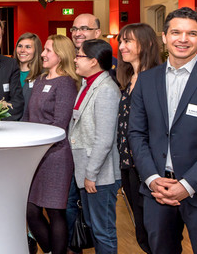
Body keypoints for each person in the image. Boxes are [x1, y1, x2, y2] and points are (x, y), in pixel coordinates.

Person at [129, 7, 197, 254]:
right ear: (164, 36)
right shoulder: (146, 81)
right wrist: (152, 179)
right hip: (156, 191)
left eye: (192, 34)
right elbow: (136, 134)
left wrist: (187, 185)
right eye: (176, 32)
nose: (183, 39)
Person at [23, 35, 79, 254]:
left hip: (55, 156)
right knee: (30, 211)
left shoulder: (65, 83)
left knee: (55, 212)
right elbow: (29, 117)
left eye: (48, 50)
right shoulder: (40, 79)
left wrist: (36, 146)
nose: (43, 54)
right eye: (44, 50)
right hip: (34, 156)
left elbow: (59, 126)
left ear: (61, 55)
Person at [69, 39, 121, 254]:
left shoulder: (106, 89)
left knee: (103, 231)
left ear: (93, 61)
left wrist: (91, 174)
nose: (75, 59)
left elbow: (104, 139)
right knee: (93, 225)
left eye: (79, 56)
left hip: (100, 174)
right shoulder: (87, 83)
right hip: (87, 171)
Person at [116, 23, 160, 254]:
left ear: (147, 43)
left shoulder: (155, 79)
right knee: (141, 230)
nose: (122, 46)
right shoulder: (129, 78)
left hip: (147, 165)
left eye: (128, 41)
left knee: (154, 232)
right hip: (127, 163)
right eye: (121, 41)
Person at [12, 32, 43, 112]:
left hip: (32, 122)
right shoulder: (9, 72)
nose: (22, 50)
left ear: (36, 50)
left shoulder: (43, 75)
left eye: (28, 47)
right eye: (20, 46)